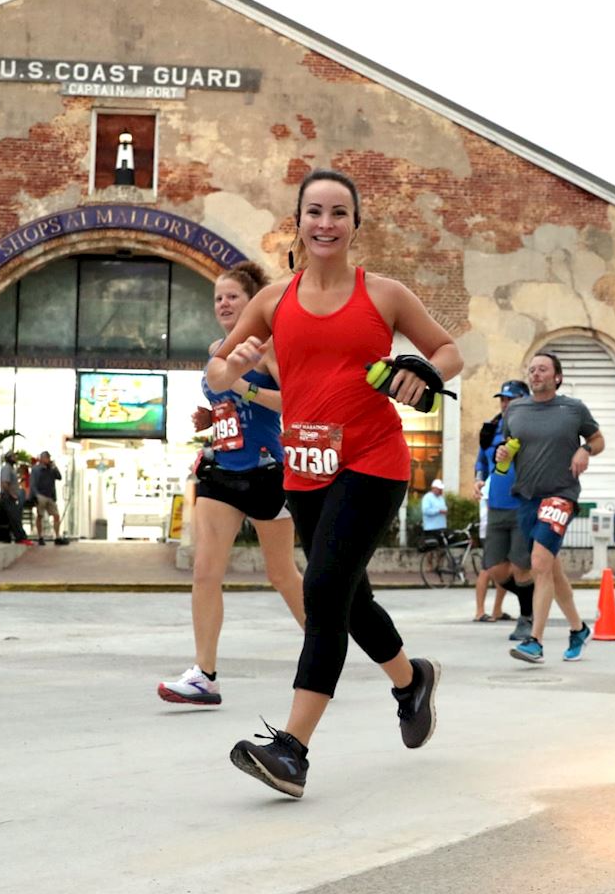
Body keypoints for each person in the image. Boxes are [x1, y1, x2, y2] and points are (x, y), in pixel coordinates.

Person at [214, 169, 462, 797]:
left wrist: (423, 374)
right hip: (305, 472)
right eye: (314, 213)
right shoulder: (271, 301)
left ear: (356, 224)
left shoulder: (383, 294)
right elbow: (218, 372)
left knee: (323, 590)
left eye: (339, 213)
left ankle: (292, 750)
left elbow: (448, 351)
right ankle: (412, 681)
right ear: (296, 222)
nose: (325, 224)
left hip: (374, 462)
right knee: (349, 598)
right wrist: (234, 363)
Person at [157, 262, 306, 707]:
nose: (223, 303)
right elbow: (227, 404)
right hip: (221, 469)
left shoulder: (271, 347)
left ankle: (323, 651)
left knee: (281, 574)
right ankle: (205, 675)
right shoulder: (216, 349)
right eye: (218, 297)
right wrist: (212, 416)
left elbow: (293, 402)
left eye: (232, 297)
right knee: (205, 571)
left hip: (266, 472)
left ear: (253, 303)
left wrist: (243, 388)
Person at [500, 351, 603, 664]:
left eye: (543, 369)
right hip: (527, 497)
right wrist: (502, 456)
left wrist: (585, 450)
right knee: (552, 569)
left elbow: (598, 440)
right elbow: (508, 448)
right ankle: (578, 628)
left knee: (540, 563)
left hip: (560, 494)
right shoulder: (515, 410)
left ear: (557, 377)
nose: (536, 374)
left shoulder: (573, 409)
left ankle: (535, 641)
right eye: (531, 369)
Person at [473, 380, 534, 632]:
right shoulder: (491, 428)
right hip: (495, 504)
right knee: (496, 568)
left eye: (511, 398)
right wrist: (477, 480)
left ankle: (526, 617)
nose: (505, 403)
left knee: (521, 566)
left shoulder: (533, 429)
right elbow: (481, 461)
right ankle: (533, 593)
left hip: (523, 504)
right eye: (503, 399)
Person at [29, 451, 68, 545]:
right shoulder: (36, 469)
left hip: (50, 496)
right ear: (42, 458)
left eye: (49, 458)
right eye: (46, 458)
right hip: (41, 495)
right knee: (40, 516)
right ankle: (40, 536)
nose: (48, 459)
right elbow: (33, 483)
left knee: (56, 515)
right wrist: (35, 495)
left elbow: (59, 477)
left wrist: (54, 467)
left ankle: (57, 536)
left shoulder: (51, 469)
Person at [0, 451, 29, 544]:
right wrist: (12, 494)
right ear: (9, 458)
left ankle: (19, 536)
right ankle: (20, 536)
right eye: (14, 456)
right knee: (14, 517)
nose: (15, 458)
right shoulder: (6, 468)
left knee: (15, 516)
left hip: (12, 496)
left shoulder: (12, 469)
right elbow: (4, 483)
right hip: (8, 496)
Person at [421, 478, 448, 543]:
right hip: (431, 528)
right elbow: (425, 510)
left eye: (441, 489)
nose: (441, 490)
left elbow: (444, 508)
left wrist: (445, 511)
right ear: (433, 488)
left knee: (442, 547)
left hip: (441, 527)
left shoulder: (441, 498)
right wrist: (438, 511)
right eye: (439, 489)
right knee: (432, 547)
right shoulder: (427, 497)